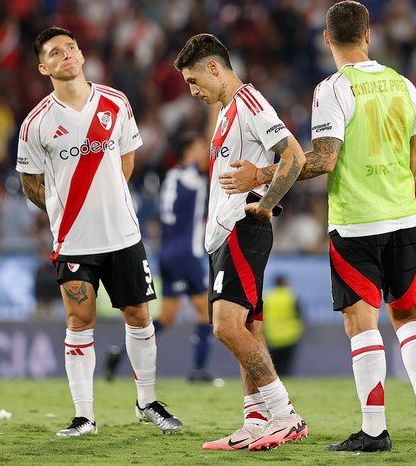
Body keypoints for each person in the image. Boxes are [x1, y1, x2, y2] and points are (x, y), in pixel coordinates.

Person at [219, 0, 416, 452]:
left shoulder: (333, 89)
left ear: (326, 39)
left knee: (362, 325)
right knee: (407, 317)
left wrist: (262, 176)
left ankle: (375, 430)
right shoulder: (403, 84)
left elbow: (323, 159)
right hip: (404, 217)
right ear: (368, 35)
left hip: (356, 223)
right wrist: (388, 183)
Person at [16, 26, 182, 437]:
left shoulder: (116, 103)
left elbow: (126, 163)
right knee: (79, 319)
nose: (67, 55)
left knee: (139, 315)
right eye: (55, 52)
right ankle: (84, 415)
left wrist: (106, 203)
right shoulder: (36, 123)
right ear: (43, 67)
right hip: (74, 239)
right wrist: (64, 210)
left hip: (122, 234)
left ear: (82, 55)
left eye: (71, 48)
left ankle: (147, 401)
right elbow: (30, 184)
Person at [174, 33, 308, 451]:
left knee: (225, 327)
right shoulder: (226, 111)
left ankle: (285, 414)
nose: (193, 91)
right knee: (249, 327)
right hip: (222, 234)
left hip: (242, 227)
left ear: (214, 68)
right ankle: (253, 420)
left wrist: (266, 203)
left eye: (195, 81)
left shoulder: (250, 102)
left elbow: (294, 156)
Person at [104, 132, 213, 382]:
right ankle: (199, 370)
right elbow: (210, 158)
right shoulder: (191, 175)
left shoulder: (172, 177)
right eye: (198, 146)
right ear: (188, 153)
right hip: (187, 253)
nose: (203, 151)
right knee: (206, 313)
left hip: (167, 252)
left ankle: (120, 352)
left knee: (167, 316)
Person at [262, 275, 304, 376]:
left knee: (273, 364)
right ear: (284, 282)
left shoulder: (267, 296)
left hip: (271, 334)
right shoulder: (291, 296)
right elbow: (299, 314)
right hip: (290, 335)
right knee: (286, 364)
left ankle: (274, 384)